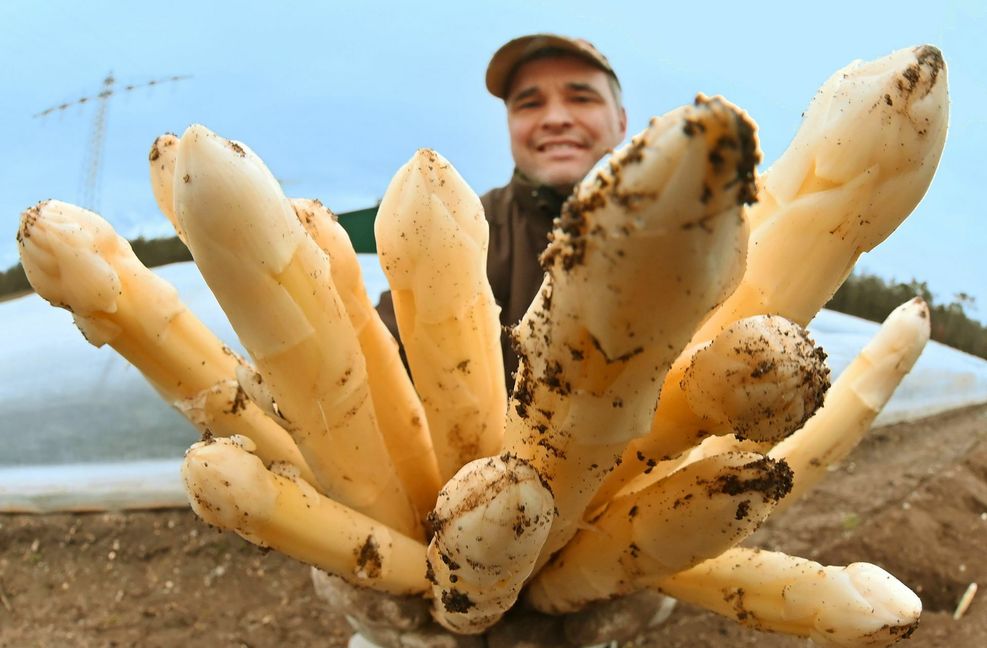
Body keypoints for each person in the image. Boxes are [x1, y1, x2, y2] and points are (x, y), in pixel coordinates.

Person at [378, 34, 628, 389]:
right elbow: (385, 346)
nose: (555, 118)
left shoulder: (689, 229)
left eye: (581, 98)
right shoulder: (464, 225)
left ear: (621, 121)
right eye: (529, 104)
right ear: (510, 125)